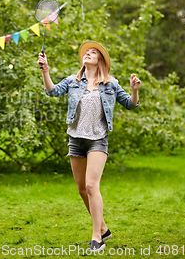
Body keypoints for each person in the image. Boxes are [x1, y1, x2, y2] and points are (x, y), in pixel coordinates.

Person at [37, 41, 141, 253]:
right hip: (75, 138)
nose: (88, 54)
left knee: (92, 186)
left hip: (97, 139)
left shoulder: (111, 83)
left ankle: (97, 237)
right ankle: (103, 228)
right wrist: (45, 70)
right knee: (82, 189)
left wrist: (134, 91)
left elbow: (130, 104)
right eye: (86, 52)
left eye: (93, 52)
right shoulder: (73, 81)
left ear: (100, 60)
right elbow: (52, 91)